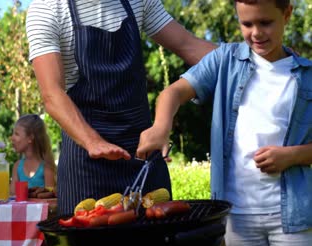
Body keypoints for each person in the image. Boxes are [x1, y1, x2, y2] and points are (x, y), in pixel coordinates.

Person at [136, 0, 312, 246]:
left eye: (265, 23)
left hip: (294, 216)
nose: (256, 33)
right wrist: (161, 126)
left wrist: (292, 156)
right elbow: (173, 93)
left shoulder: (307, 75)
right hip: (238, 216)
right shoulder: (225, 60)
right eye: (247, 23)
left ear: (286, 14)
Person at [26, 0, 217, 214]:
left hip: (143, 156)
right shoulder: (47, 8)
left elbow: (188, 45)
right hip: (86, 162)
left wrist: (247, 59)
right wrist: (93, 141)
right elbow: (52, 93)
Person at [9, 114, 56, 194]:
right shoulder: (17, 166)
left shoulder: (46, 167)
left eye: (16, 134)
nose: (12, 138)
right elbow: (12, 196)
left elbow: (51, 200)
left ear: (30, 138)